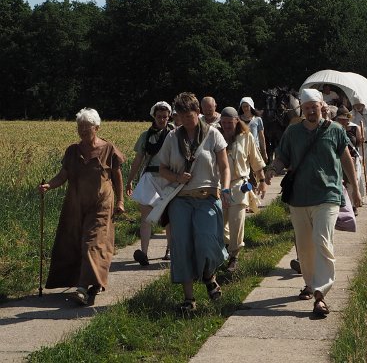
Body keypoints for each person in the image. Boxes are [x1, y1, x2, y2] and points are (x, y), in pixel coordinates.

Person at [266, 88, 361, 317]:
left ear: (321, 106)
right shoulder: (293, 132)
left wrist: (356, 189)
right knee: (305, 248)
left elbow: (345, 158)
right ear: (302, 109)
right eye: (306, 107)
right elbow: (282, 157)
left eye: (314, 107)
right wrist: (272, 169)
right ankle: (310, 283)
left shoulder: (335, 130)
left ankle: (320, 293)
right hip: (299, 198)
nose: (310, 111)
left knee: (322, 240)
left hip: (328, 195)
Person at [38, 108, 125, 306]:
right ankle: (93, 281)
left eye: (87, 127)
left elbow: (117, 176)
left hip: (101, 204)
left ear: (97, 127)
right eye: (80, 127)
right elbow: (63, 175)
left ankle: (83, 289)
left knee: (92, 243)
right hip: (75, 204)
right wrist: (49, 185)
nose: (83, 131)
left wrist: (120, 201)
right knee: (72, 243)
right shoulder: (72, 151)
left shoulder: (108, 148)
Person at [156, 92, 231, 313]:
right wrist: (177, 177)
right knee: (182, 246)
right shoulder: (172, 137)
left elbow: (224, 166)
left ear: (198, 112)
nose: (185, 121)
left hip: (207, 197)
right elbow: (161, 169)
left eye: (189, 116)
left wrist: (225, 188)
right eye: (181, 116)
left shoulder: (213, 134)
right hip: (180, 199)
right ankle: (189, 298)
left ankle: (208, 275)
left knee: (207, 241)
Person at [219, 106, 267, 271]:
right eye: (224, 122)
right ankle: (226, 246)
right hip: (219, 186)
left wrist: (262, 180)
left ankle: (234, 255)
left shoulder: (246, 137)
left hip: (239, 185)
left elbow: (256, 160)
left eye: (230, 122)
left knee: (236, 221)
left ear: (236, 121)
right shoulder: (216, 137)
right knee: (218, 222)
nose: (227, 126)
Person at [126, 101, 174, 265]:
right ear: (154, 116)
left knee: (169, 217)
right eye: (159, 116)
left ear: (169, 117)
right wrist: (130, 180)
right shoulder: (145, 136)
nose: (162, 120)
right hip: (150, 178)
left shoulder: (174, 134)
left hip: (169, 178)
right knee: (145, 217)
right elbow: (138, 159)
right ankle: (144, 253)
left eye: (165, 117)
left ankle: (170, 250)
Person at [335, 106, 364, 210]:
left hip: (353, 158)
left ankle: (353, 205)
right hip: (339, 159)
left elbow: (359, 143)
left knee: (353, 181)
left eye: (345, 119)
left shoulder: (355, 128)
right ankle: (345, 205)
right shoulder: (334, 129)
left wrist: (361, 139)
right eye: (341, 119)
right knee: (342, 182)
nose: (344, 121)